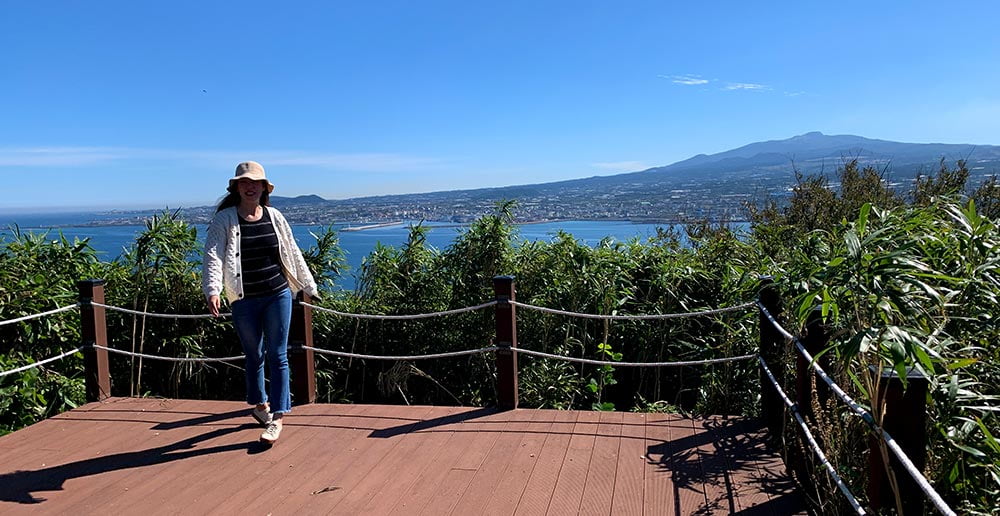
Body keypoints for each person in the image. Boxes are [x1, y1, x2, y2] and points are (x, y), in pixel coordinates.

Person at [202, 161, 319, 445]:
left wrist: (308, 285)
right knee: (253, 355)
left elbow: (291, 251)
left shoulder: (275, 216)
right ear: (236, 188)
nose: (250, 186)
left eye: (255, 183)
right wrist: (213, 290)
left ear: (265, 188)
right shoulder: (225, 220)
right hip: (244, 299)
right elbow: (213, 255)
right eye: (244, 182)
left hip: (277, 293)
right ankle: (259, 405)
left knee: (277, 355)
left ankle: (277, 416)